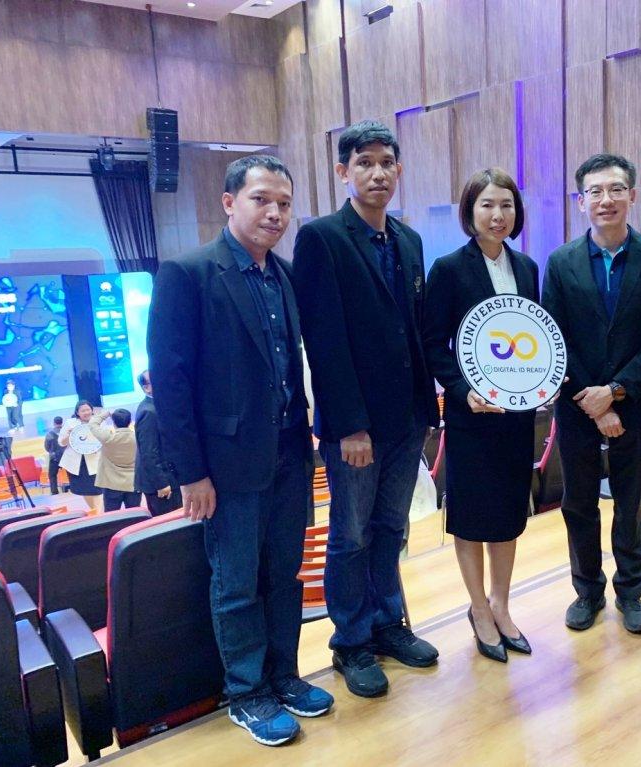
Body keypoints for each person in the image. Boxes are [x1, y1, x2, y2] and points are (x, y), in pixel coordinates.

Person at [148, 154, 332, 747]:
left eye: (284, 203)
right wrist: (191, 473)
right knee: (236, 583)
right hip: (226, 467)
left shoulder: (285, 275)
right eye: (261, 200)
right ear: (229, 202)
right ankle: (246, 693)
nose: (274, 213)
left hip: (289, 454)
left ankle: (284, 676)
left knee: (284, 573)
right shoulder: (189, 273)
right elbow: (171, 382)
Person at [292, 120, 440, 698]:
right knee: (350, 535)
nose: (378, 173)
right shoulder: (322, 238)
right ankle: (350, 641)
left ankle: (387, 623)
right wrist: (350, 425)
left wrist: (429, 405)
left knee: (390, 527)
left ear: (398, 169)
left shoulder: (408, 240)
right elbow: (323, 341)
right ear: (343, 171)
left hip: (408, 416)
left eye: (386, 163)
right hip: (357, 426)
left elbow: (415, 329)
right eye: (364, 163)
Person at [541, 153, 641, 635]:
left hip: (636, 404)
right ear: (581, 201)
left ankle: (631, 592)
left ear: (633, 196)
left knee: (629, 503)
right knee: (579, 503)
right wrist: (593, 399)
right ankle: (587, 591)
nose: (606, 199)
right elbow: (553, 335)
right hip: (577, 405)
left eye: (616, 189)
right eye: (595, 191)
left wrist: (617, 391)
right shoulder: (561, 262)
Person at [422, 168, 540, 663]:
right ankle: (478, 608)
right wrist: (463, 390)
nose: (498, 215)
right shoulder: (449, 269)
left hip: (515, 416)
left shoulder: (527, 268)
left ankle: (502, 604)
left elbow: (534, 338)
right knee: (471, 516)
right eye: (487, 204)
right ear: (470, 211)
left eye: (506, 205)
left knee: (508, 513)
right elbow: (433, 343)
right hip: (471, 414)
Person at [133, 370, 180, 515]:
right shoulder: (149, 411)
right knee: (169, 523)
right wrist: (161, 483)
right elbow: (148, 452)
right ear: (146, 388)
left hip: (168, 477)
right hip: (161, 483)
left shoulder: (156, 405)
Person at [89, 408, 142, 511]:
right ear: (130, 422)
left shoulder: (107, 437)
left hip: (111, 484)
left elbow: (92, 424)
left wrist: (106, 414)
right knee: (134, 514)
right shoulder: (137, 437)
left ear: (113, 423)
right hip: (133, 483)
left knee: (111, 516)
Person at [58, 400, 103, 511]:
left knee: (98, 490)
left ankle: (99, 514)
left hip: (95, 462)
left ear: (92, 410)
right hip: (77, 464)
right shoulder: (70, 423)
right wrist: (70, 435)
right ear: (77, 413)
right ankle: (95, 511)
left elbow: (105, 439)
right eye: (83, 411)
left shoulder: (98, 422)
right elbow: (61, 442)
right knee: (85, 490)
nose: (86, 412)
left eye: (88, 409)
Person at [44, 416, 65, 493]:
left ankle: (54, 492)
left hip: (55, 458)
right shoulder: (66, 432)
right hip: (66, 456)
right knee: (71, 473)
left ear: (54, 423)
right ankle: (74, 489)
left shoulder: (49, 434)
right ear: (62, 422)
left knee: (52, 475)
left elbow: (47, 447)